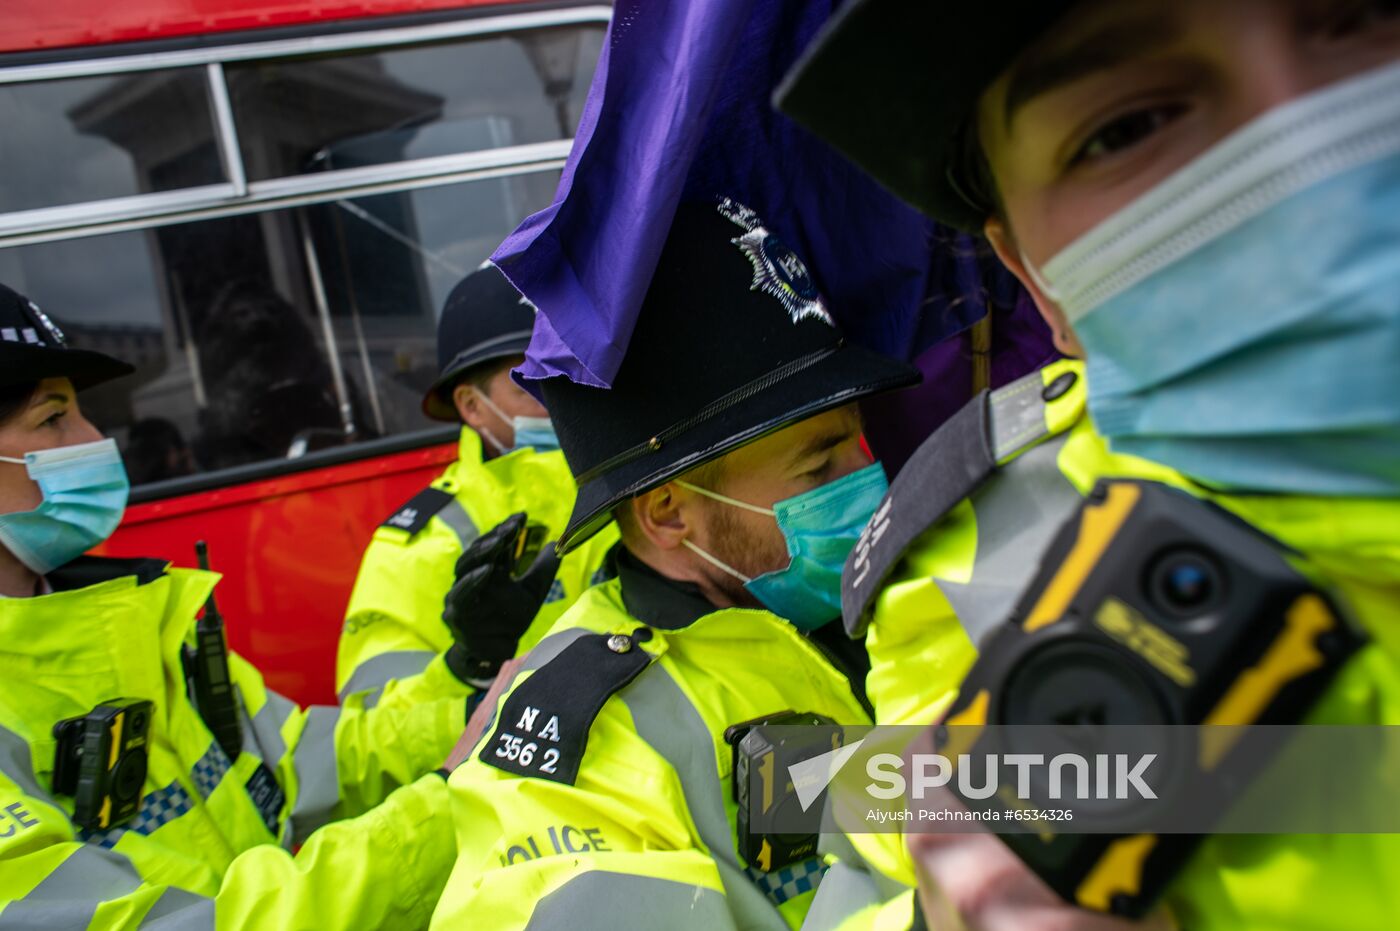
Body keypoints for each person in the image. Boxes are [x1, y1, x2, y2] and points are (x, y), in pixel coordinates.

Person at [778, 1, 1400, 929]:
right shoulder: (960, 572)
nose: (1302, 137)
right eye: (1127, 129)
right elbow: (869, 841)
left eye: (1369, 23)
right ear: (1033, 277)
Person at [426, 197, 920, 929]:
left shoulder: (843, 612)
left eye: (858, 444)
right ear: (666, 513)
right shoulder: (602, 741)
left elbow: (961, 799)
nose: (868, 485)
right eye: (818, 469)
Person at [0, 283, 458, 927]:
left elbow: (304, 760)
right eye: (53, 419)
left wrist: (488, 709)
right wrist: (443, 807)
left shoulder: (136, 621)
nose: (95, 438)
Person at [338, 264, 617, 730]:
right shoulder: (414, 550)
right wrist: (470, 670)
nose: (563, 397)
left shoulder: (636, 486)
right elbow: (365, 740)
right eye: (534, 381)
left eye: (571, 371)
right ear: (472, 406)